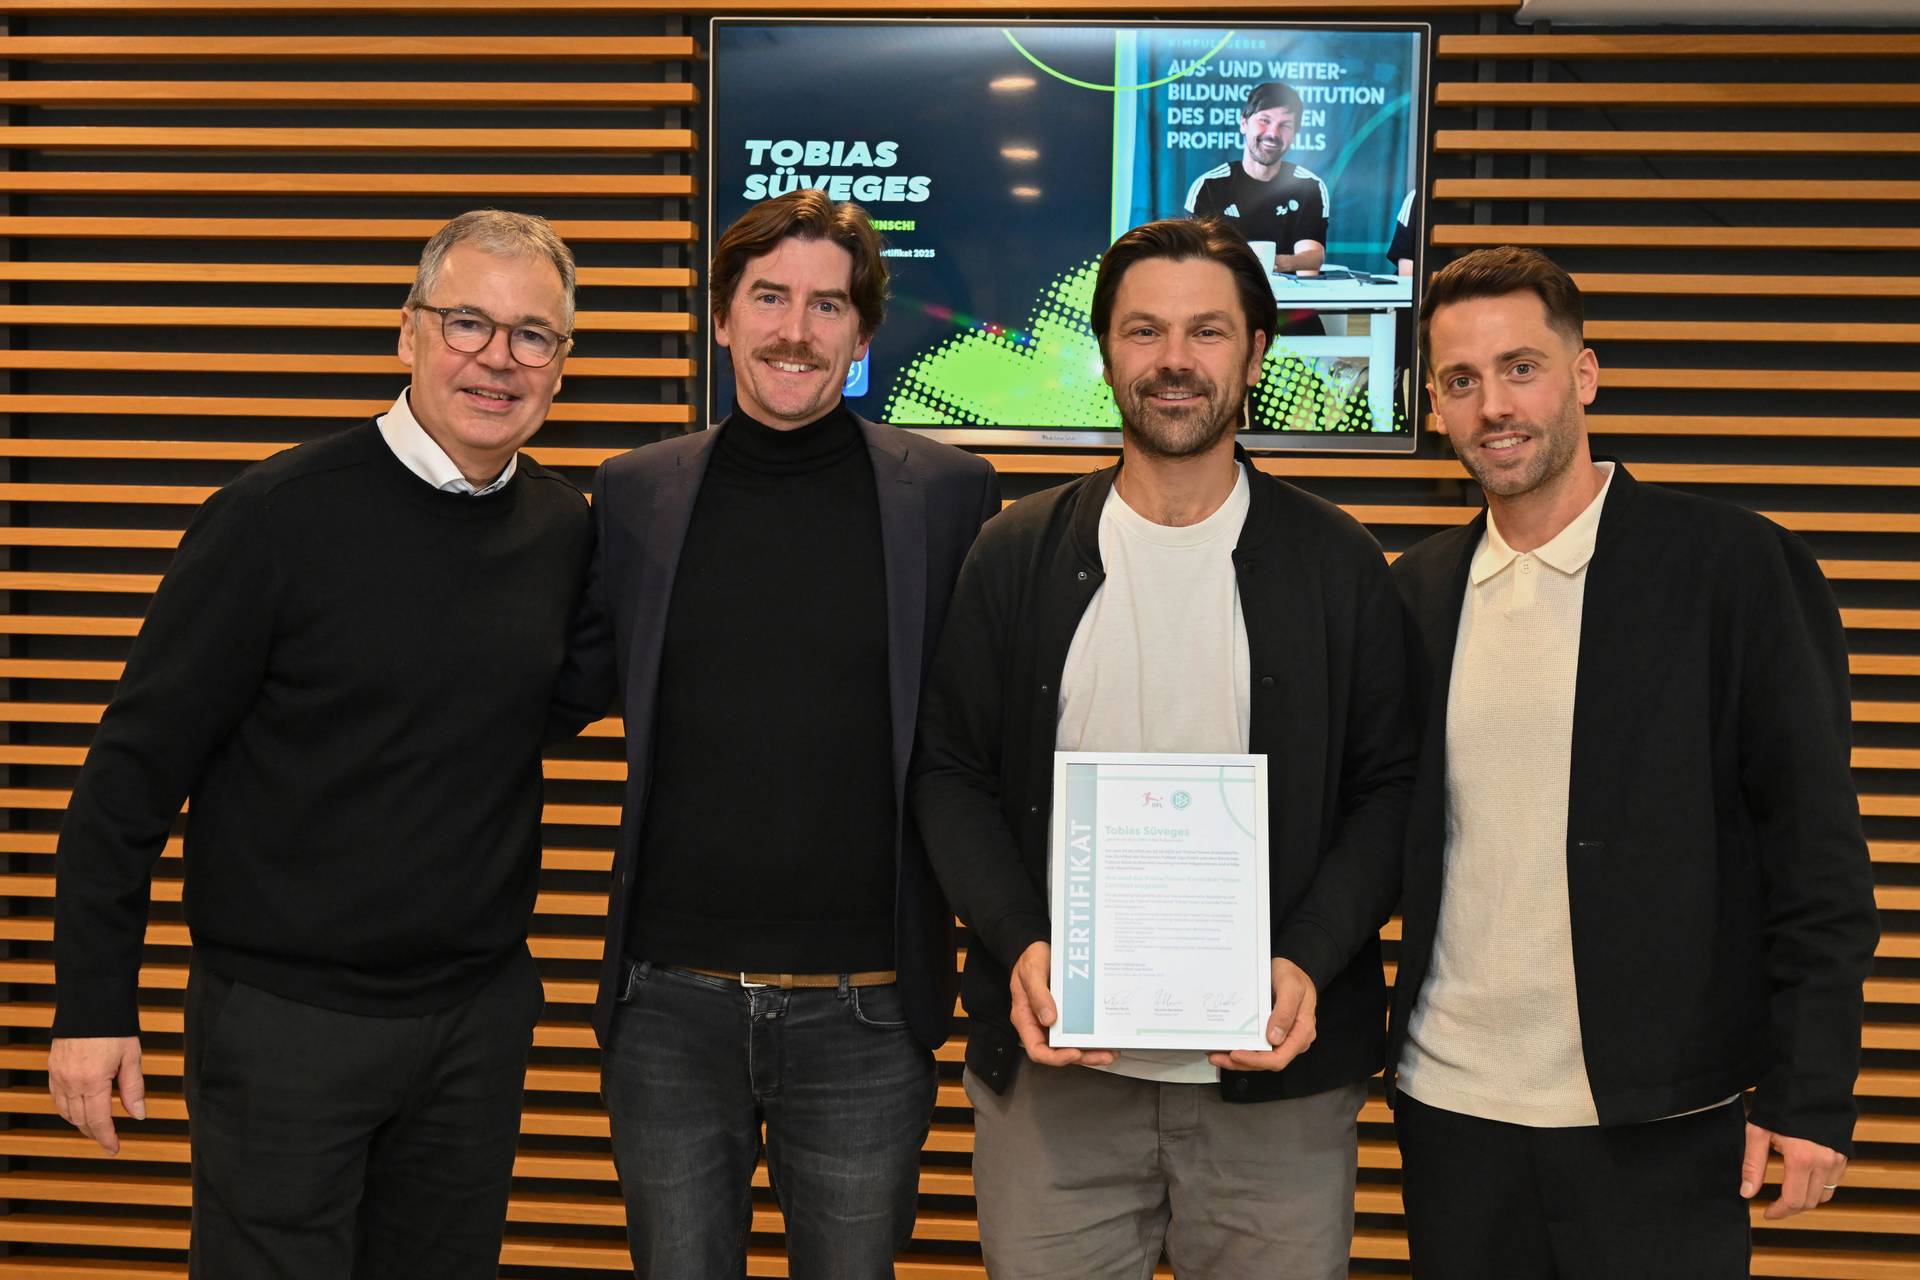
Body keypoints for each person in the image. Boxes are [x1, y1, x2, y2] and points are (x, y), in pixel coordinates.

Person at [49, 209, 592, 1277]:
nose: (499, 357)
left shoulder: (565, 529)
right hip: (284, 1026)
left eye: (534, 335)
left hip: (474, 1025)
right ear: (408, 331)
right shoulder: (274, 515)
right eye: (468, 322)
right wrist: (92, 1005)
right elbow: (130, 776)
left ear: (560, 366)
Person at [911, 216, 1415, 1280]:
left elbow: (1390, 791)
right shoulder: (1013, 553)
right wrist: (1021, 942)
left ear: (1256, 354)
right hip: (1057, 1082)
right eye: (1144, 331)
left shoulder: (1339, 563)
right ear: (1105, 353)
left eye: (1206, 331)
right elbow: (951, 774)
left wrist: (1307, 956)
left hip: (1276, 1088)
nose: (1174, 360)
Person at [1390, 245, 1880, 1277]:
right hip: (1451, 1115)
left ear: (1585, 374)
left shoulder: (1733, 567)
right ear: (1435, 406)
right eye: (1461, 380)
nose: (1494, 406)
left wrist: (1809, 1091)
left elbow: (1817, 854)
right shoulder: (1416, 592)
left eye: (1521, 368)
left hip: (1666, 1121)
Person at [569, 188, 999, 1279]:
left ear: (861, 334)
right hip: (668, 1004)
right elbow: (545, 684)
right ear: (722, 317)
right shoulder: (633, 493)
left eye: (827, 305)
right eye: (768, 298)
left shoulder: (950, 496)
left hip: (867, 1007)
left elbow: (986, 735)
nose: (795, 331)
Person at [1184, 81, 1329, 276]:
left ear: (1295, 134)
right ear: (1244, 123)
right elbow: (1195, 260)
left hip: (1288, 294)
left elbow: (1311, 259)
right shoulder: (1209, 186)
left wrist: (1272, 263)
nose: (1273, 133)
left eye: (1285, 125)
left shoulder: (1309, 186)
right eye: (1264, 120)